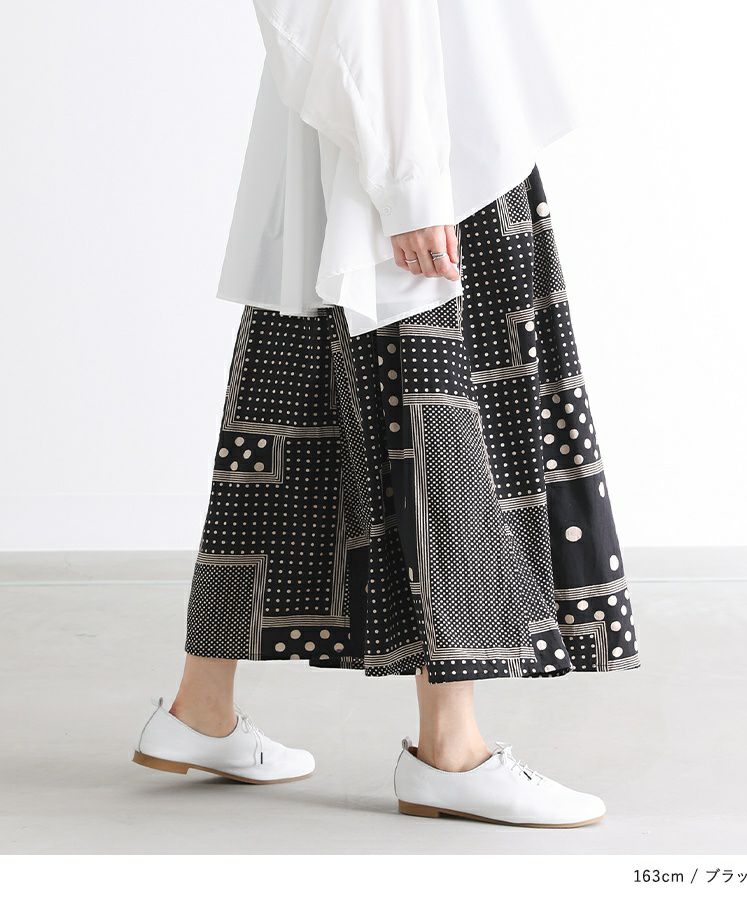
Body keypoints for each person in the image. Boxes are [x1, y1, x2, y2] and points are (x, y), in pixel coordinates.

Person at [132, 0, 639, 828]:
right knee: (445, 431)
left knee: (294, 417)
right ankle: (452, 753)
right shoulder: (417, 171)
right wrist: (409, 187)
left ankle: (200, 709)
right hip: (430, 162)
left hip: (367, 154)